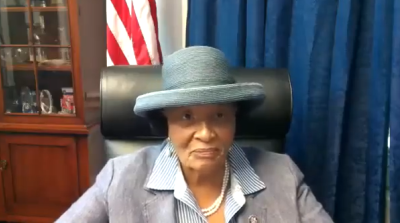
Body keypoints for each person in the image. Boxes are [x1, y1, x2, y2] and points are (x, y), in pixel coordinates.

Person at [56, 46, 333, 223]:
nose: (205, 133)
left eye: (220, 116)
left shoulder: (282, 174)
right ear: (166, 122)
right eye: (187, 117)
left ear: (236, 118)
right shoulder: (120, 178)